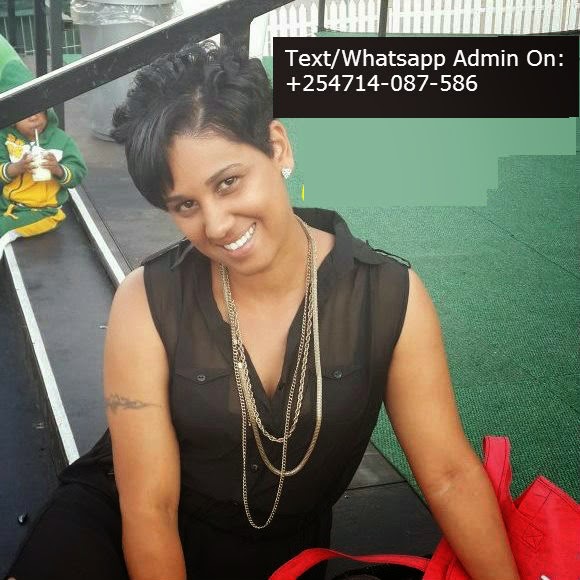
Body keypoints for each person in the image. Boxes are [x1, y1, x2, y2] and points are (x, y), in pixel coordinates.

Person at [6, 42, 520, 580]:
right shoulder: (146, 302)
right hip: (124, 528)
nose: (216, 225)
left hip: (279, 551)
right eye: (185, 205)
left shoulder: (388, 296)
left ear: (277, 147)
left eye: (228, 182)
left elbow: (448, 474)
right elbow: (148, 508)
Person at [0, 34, 87, 258]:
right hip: (8, 205)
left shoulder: (60, 140)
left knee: (3, 230)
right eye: (25, 114)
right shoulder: (6, 139)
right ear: (12, 118)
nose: (34, 117)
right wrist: (16, 168)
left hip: (42, 211)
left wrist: (57, 169)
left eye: (39, 111)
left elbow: (77, 173)